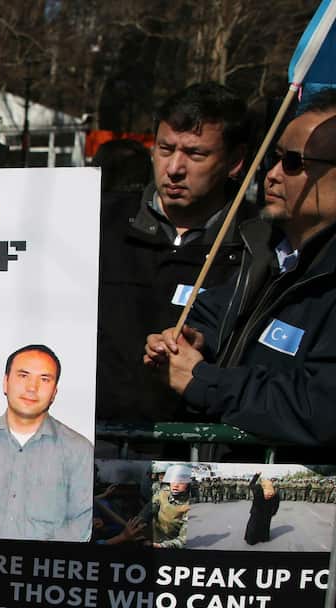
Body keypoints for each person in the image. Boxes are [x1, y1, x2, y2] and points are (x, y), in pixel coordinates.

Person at [145, 90, 336, 446]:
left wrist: (202, 380)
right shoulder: (266, 250)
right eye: (274, 158)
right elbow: (215, 316)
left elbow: (321, 408)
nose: (272, 175)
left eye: (293, 163)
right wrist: (193, 339)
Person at [97, 83, 250, 426]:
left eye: (195, 155)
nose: (174, 168)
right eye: (165, 149)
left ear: (235, 161)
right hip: (104, 439)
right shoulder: (100, 220)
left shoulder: (259, 244)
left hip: (196, 444)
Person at [0, 344, 93, 541]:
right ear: (5, 383)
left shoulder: (80, 451)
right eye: (23, 375)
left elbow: (80, 523)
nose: (32, 388)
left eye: (44, 379)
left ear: (54, 392)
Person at [146, 463, 192, 548]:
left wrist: (161, 545)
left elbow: (182, 540)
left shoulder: (188, 506)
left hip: (172, 543)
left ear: (188, 484)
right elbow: (150, 508)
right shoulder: (163, 492)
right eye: (173, 480)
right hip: (157, 536)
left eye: (181, 482)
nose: (176, 485)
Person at [245, 472, 281, 545]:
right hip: (267, 514)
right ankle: (263, 538)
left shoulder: (258, 490)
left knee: (253, 526)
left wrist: (257, 475)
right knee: (265, 526)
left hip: (256, 512)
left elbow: (251, 485)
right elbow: (276, 505)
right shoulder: (275, 494)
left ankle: (251, 540)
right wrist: (273, 513)